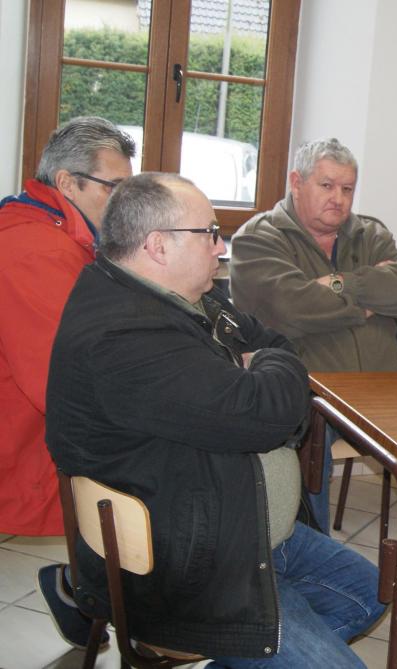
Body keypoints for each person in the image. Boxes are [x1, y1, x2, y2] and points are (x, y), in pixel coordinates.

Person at [45, 173, 385, 667]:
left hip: (239, 528)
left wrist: (264, 368)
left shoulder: (189, 299)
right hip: (191, 567)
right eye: (208, 233)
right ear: (158, 245)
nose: (220, 247)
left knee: (368, 593)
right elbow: (267, 413)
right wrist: (260, 374)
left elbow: (277, 346)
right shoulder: (122, 337)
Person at [230, 139, 397, 625]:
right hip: (307, 391)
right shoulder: (258, 238)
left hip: (386, 388)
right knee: (303, 457)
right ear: (296, 183)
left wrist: (338, 286)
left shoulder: (369, 233)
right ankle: (315, 575)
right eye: (326, 185)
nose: (338, 199)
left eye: (347, 188)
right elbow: (288, 308)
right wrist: (365, 296)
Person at [0, 116, 135, 647]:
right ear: (66, 183)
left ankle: (83, 592)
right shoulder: (35, 249)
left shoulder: (62, 233)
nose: (123, 202)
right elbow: (60, 378)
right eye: (114, 188)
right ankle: (91, 595)